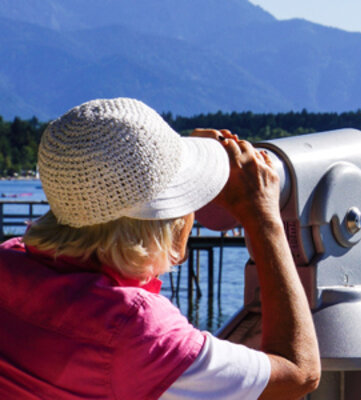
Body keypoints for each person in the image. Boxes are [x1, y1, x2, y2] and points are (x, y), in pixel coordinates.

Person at [0, 98, 320, 399]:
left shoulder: (9, 260)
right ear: (171, 221)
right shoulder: (137, 331)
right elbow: (298, 373)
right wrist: (263, 218)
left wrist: (169, 159)